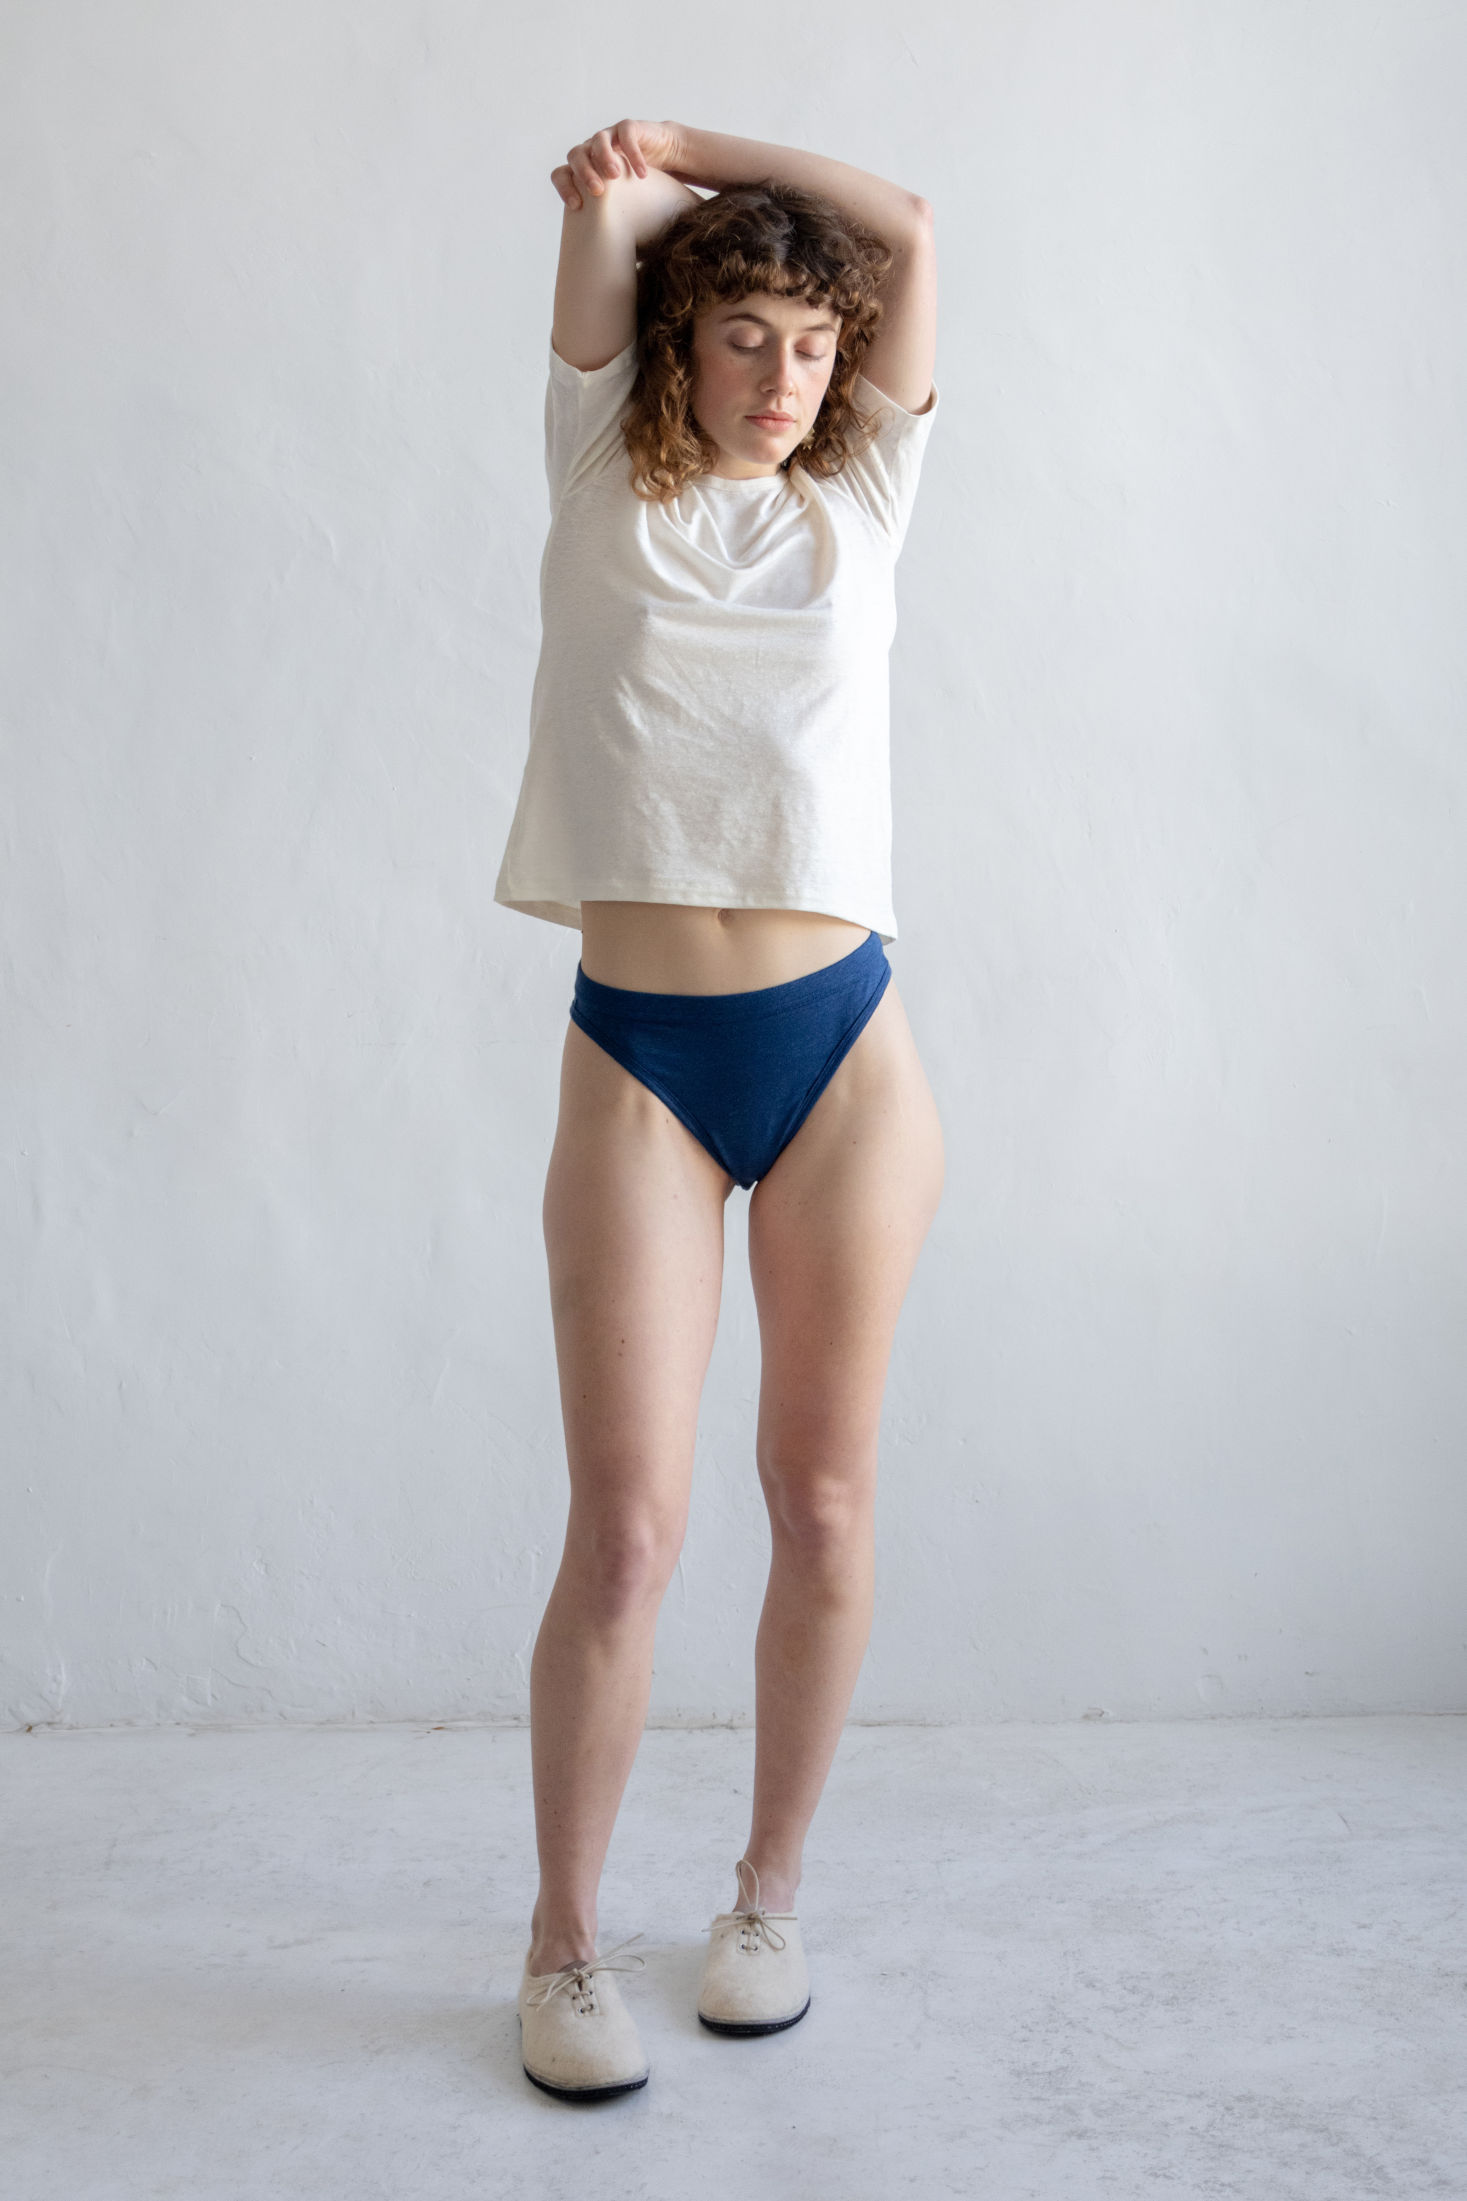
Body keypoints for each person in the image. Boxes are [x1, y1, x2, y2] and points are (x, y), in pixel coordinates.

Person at [498, 118, 944, 2101]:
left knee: (821, 1497)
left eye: (812, 347)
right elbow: (604, 221)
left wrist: (707, 148)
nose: (783, 378)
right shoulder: (598, 467)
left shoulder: (864, 498)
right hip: (642, 1064)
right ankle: (562, 1943)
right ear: (680, 340)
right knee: (626, 1533)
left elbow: (905, 228)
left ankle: (765, 1899)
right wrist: (648, 182)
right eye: (745, 335)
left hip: (846, 1060)